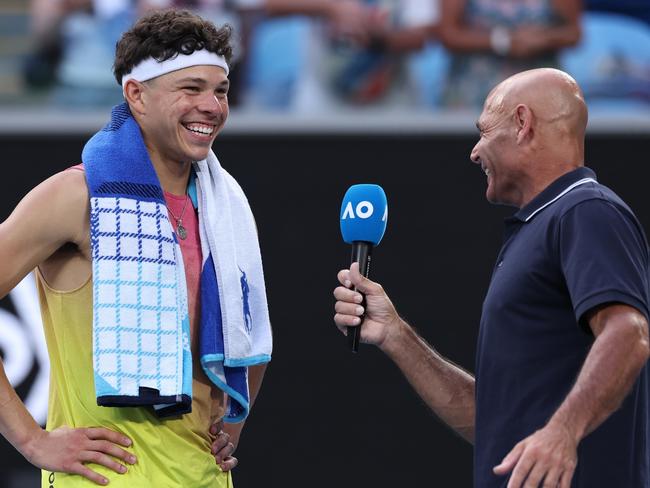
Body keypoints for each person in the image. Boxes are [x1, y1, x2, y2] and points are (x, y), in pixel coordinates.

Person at [333, 68, 650, 487]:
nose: (474, 151)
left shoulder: (585, 210)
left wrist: (562, 432)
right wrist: (395, 333)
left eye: (483, 131)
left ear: (522, 123)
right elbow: (490, 421)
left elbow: (629, 332)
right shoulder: (539, 227)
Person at [0, 9, 272, 487]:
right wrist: (31, 440)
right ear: (137, 95)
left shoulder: (225, 210)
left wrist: (233, 424)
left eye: (221, 90)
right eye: (191, 89)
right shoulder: (74, 197)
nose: (211, 105)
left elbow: (251, 338)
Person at [438, 0, 582, 109]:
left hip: (541, 93)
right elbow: (447, 34)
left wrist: (544, 39)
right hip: (474, 93)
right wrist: (501, 41)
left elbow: (573, 33)